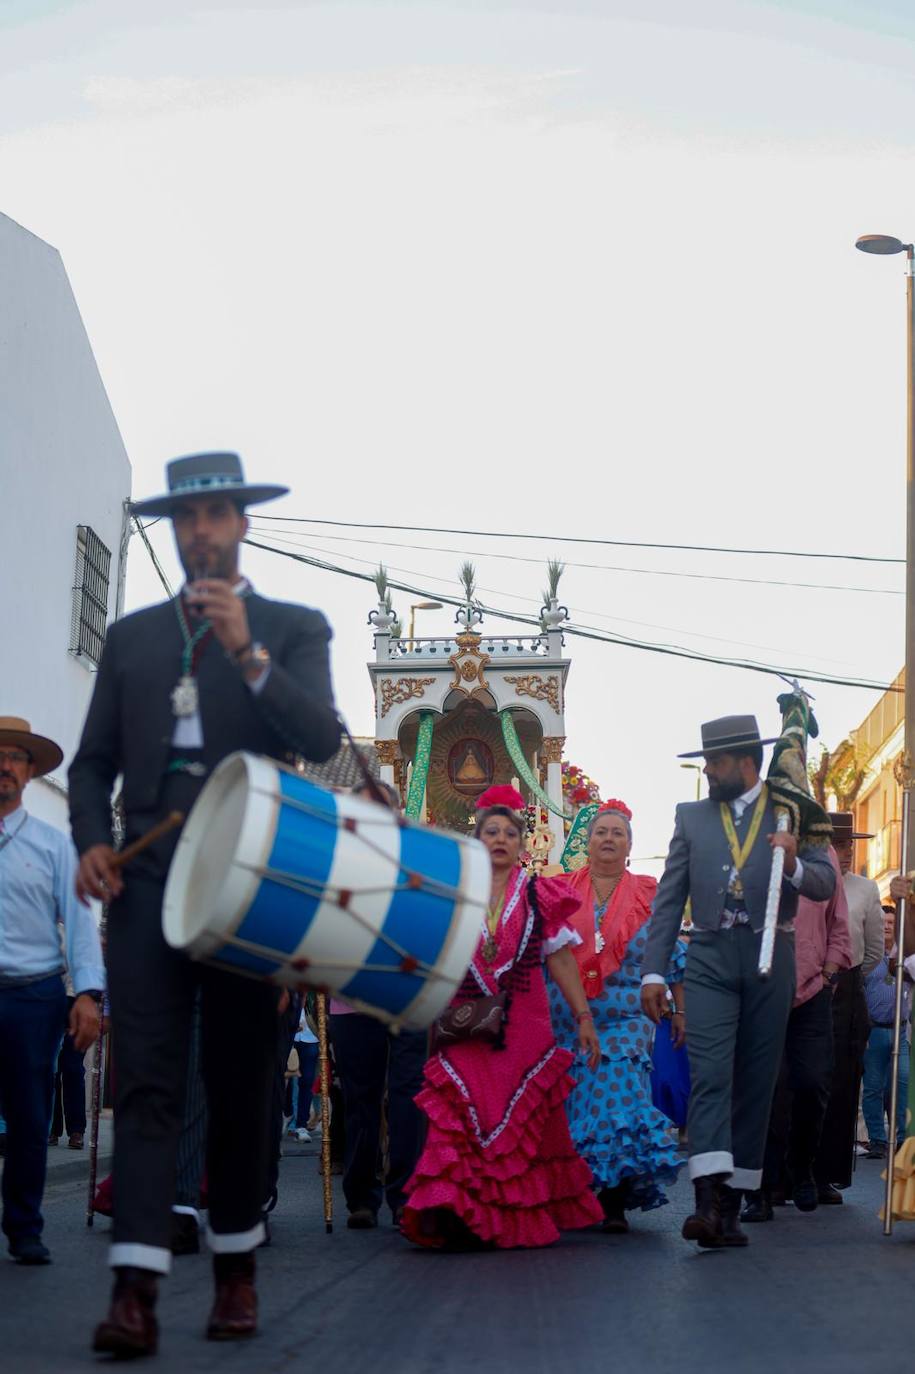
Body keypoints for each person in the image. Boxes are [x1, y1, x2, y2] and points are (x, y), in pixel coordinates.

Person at [69, 452, 341, 1357]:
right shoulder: (133, 639)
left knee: (241, 1083)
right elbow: (91, 765)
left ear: (242, 525)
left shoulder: (292, 628)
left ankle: (235, 1273)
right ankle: (135, 1291)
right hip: (145, 886)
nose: (199, 532)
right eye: (185, 519)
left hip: (248, 885)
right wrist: (91, 840)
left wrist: (248, 656)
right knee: (146, 1083)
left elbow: (318, 735)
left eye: (215, 514)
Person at [641, 714, 836, 1249]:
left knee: (756, 1081)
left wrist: (793, 863)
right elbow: (668, 898)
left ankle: (732, 1205)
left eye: (716, 761)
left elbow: (824, 884)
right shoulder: (691, 816)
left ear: (747, 762)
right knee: (709, 1075)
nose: (708, 770)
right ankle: (704, 1201)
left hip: (771, 952)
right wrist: (654, 971)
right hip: (708, 955)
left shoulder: (793, 809)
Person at [402, 785, 603, 1249]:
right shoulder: (452, 895)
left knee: (516, 1118)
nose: (500, 839)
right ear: (476, 841)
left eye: (509, 834)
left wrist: (583, 1016)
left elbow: (562, 960)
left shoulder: (538, 894)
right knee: (461, 1111)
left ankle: (507, 1215)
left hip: (524, 1028)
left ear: (521, 844)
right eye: (491, 832)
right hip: (465, 1022)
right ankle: (459, 1213)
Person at [548, 799, 685, 1233]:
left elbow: (671, 952)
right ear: (587, 842)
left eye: (617, 833)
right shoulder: (561, 892)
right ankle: (579, 1192)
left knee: (618, 1089)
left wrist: (680, 1009)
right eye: (601, 832)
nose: (608, 838)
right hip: (569, 1020)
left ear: (630, 845)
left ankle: (613, 1199)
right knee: (578, 1105)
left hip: (627, 1019)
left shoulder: (650, 893)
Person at [0, 716, 104, 1264]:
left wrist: (88, 994)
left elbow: (81, 923)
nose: (5, 766)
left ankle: (24, 1227)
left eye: (15, 757)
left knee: (28, 1114)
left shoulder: (54, 846)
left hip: (33, 995)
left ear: (30, 771)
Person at [329, 782, 428, 1230]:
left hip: (407, 996)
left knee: (409, 1095)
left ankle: (405, 1192)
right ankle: (361, 1196)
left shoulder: (416, 862)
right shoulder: (335, 863)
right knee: (361, 1098)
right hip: (353, 997)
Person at [742, 845, 851, 1220]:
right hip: (760, 991)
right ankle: (758, 1189)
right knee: (764, 1091)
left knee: (813, 1082)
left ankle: (802, 1166)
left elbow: (839, 921)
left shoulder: (822, 852)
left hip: (812, 989)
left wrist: (830, 971)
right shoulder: (748, 841)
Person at [814, 812, 883, 1203]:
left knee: (841, 1084)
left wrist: (844, 976)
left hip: (846, 991)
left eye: (848, 845)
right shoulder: (804, 883)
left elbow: (874, 951)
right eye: (837, 844)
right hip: (805, 987)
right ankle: (787, 1172)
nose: (844, 852)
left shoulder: (866, 888)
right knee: (802, 1080)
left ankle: (826, 1174)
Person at [861, 904, 912, 1159]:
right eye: (883, 923)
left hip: (900, 1032)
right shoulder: (868, 957)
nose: (887, 926)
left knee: (902, 1084)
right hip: (874, 1032)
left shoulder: (906, 958)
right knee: (873, 1087)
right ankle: (878, 1141)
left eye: (891, 922)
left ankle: (901, 1139)